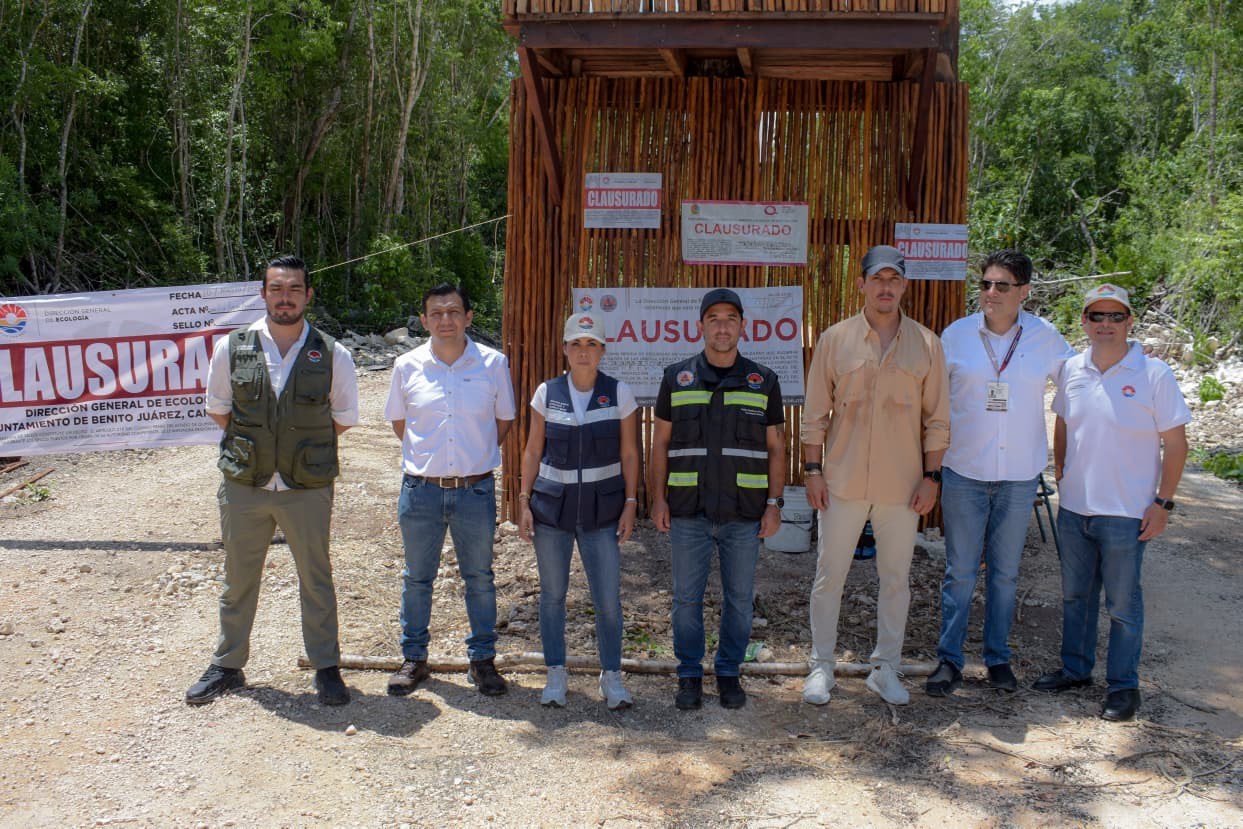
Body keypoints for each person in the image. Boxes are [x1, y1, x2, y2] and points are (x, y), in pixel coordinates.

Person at [186, 255, 360, 706]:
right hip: (246, 484)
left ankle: (326, 667)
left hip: (306, 488)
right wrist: (263, 449)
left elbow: (341, 418)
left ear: (308, 295)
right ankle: (228, 665)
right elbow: (219, 410)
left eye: (294, 289)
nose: (285, 297)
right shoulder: (233, 346)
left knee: (315, 578)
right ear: (263, 294)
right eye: (276, 289)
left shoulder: (332, 352)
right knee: (238, 579)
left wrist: (295, 451)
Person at [800, 244, 950, 707]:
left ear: (904, 286)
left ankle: (886, 668)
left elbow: (938, 419)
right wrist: (811, 471)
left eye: (894, 280)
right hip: (841, 482)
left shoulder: (927, 344)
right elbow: (814, 416)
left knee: (895, 579)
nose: (886, 288)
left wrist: (932, 477)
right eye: (877, 279)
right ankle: (821, 667)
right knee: (830, 577)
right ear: (862, 284)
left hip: (903, 487)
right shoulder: (835, 340)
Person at [1034, 284, 1190, 721]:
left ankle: (1123, 687)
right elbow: (1063, 421)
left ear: (1130, 321)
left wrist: (1163, 503)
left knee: (1122, 605)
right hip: (1076, 509)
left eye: (1115, 316)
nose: (1105, 324)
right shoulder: (1072, 369)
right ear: (1084, 322)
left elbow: (1175, 443)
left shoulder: (1154, 374)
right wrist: (1062, 470)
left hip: (1127, 513)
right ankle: (1075, 669)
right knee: (1075, 597)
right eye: (1096, 316)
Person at [926, 250, 1074, 697]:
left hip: (1018, 475)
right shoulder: (955, 336)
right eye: (986, 284)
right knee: (960, 572)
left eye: (1002, 286)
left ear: (1024, 292)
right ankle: (949, 660)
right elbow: (930, 398)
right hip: (964, 471)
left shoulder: (1046, 338)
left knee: (1006, 573)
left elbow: (1080, 383)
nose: (991, 293)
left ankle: (997, 659)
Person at [649, 288, 786, 711]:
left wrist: (774, 503)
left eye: (731, 318)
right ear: (701, 325)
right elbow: (660, 445)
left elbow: (778, 448)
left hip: (743, 514)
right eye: (714, 318)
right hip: (688, 511)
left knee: (739, 601)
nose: (722, 326)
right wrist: (658, 499)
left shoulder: (764, 380)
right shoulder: (677, 377)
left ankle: (728, 672)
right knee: (686, 600)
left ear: (743, 326)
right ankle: (689, 674)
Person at [384, 283, 517, 697]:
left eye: (454, 312)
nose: (446, 320)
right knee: (416, 578)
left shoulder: (493, 364)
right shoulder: (407, 366)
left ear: (469, 317)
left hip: (474, 492)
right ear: (423, 321)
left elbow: (503, 422)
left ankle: (482, 661)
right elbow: (400, 424)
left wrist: (471, 459)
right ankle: (414, 659)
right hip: (420, 490)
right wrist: (434, 461)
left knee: (479, 577)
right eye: (436, 313)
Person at [517, 312, 639, 710]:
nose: (583, 352)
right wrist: (523, 500)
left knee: (607, 599)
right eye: (576, 344)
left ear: (603, 350)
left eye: (592, 345)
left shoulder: (619, 393)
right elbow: (533, 449)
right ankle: (556, 673)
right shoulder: (546, 393)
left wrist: (631, 504)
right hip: (552, 511)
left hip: (602, 514)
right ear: (565, 349)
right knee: (553, 596)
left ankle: (612, 676)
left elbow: (628, 452)